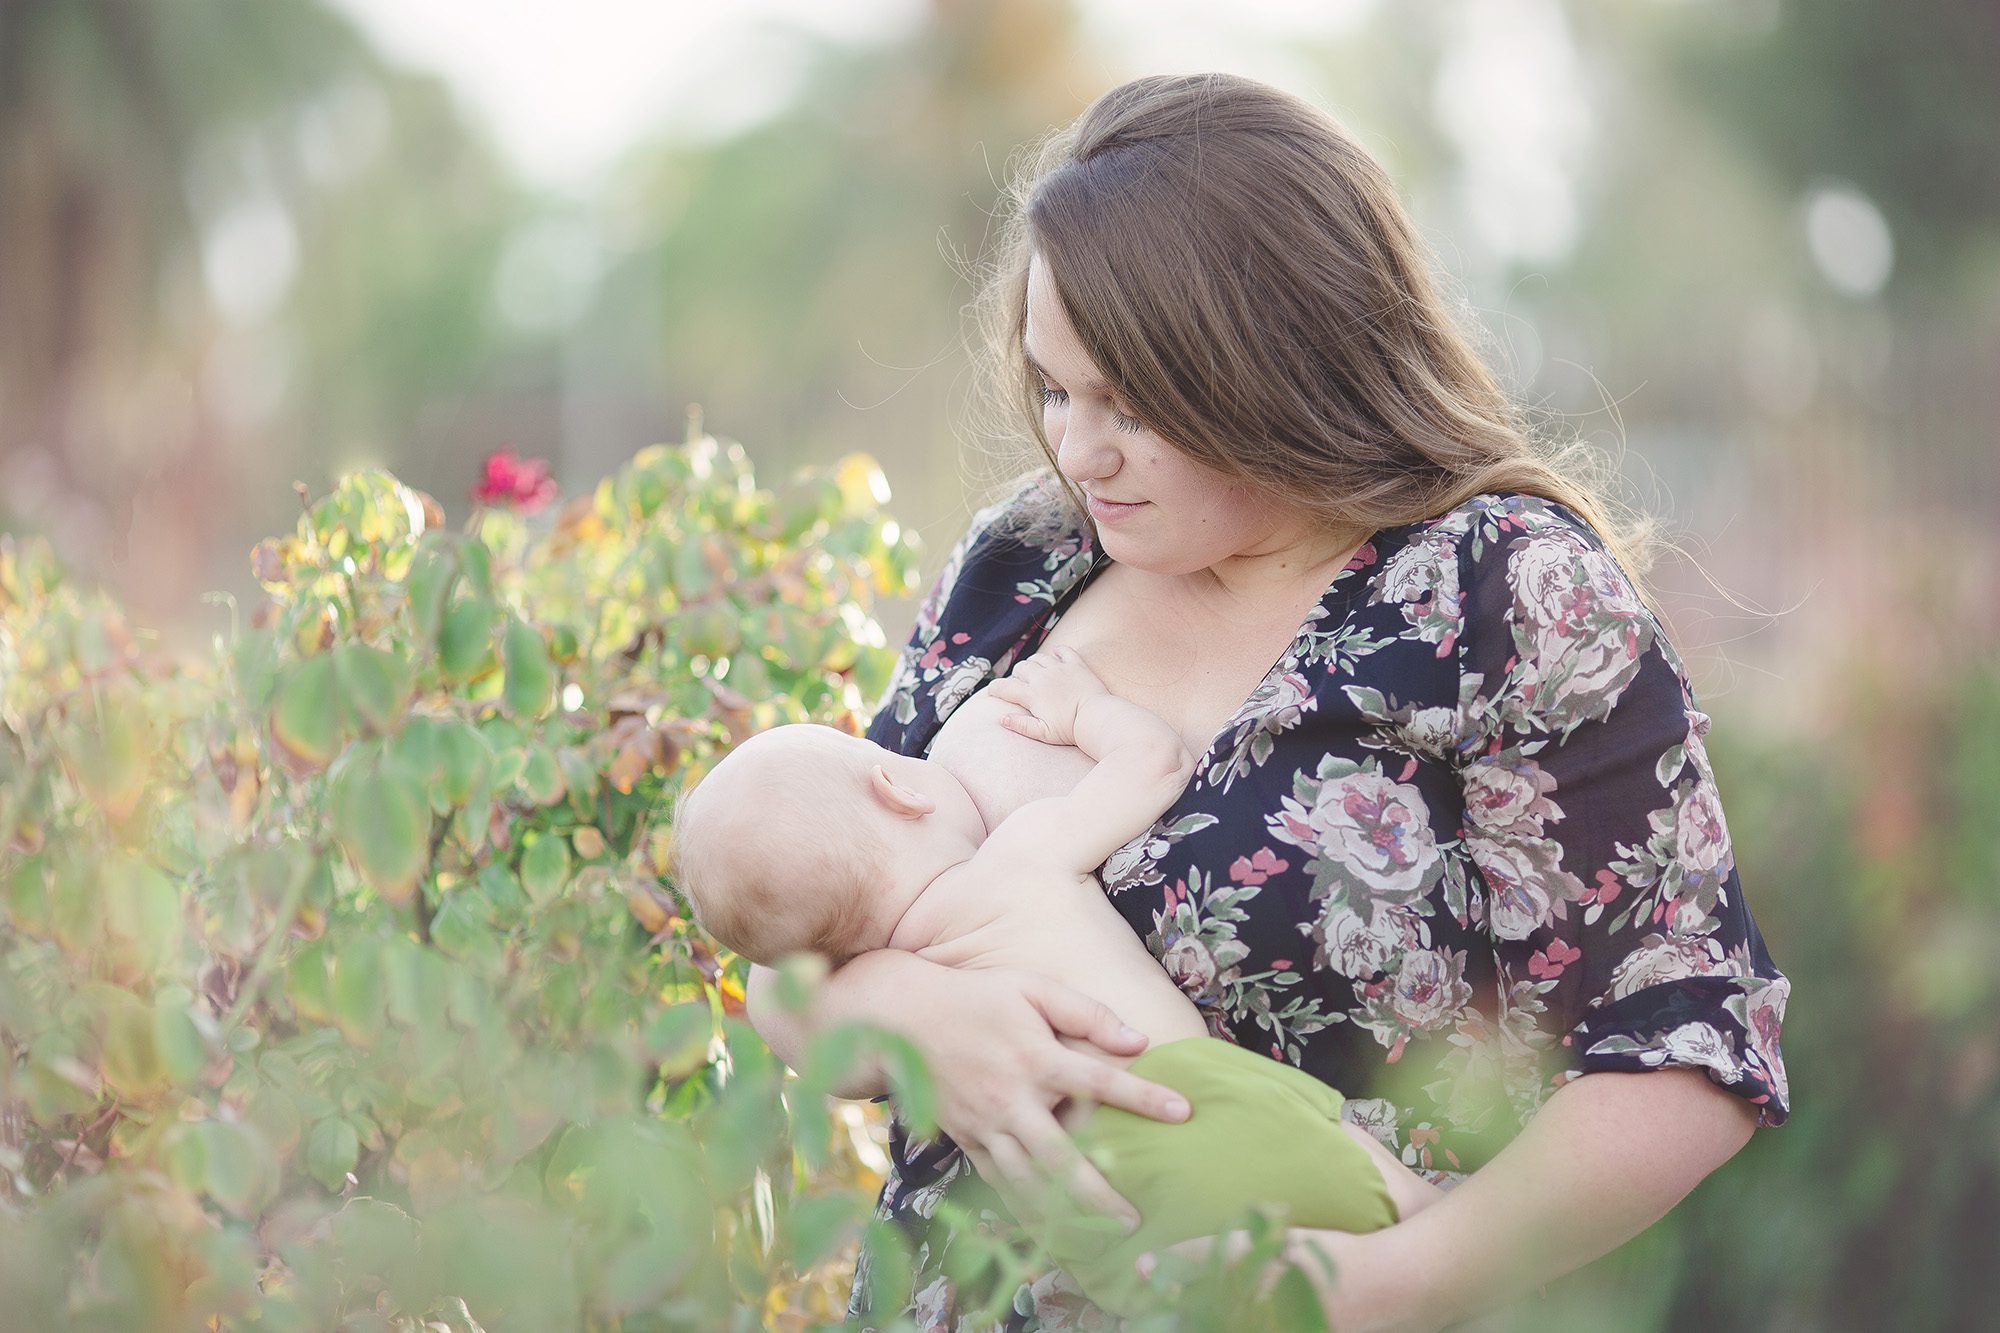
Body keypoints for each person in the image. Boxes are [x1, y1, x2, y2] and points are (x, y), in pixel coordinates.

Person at [744, 71, 1791, 1331]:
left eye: (1130, 401)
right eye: (1056, 390)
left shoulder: (1496, 595)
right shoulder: (1024, 562)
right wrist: (919, 1020)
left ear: (1278, 364)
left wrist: (1399, 1282)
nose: (1079, 452)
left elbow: (1682, 1045)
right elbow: (800, 952)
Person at [673, 648, 1443, 1314]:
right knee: (1394, 1201)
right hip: (1190, 1098)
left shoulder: (889, 984)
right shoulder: (1019, 855)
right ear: (901, 790)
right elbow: (1155, 762)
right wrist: (1085, 708)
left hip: (1081, 1201)